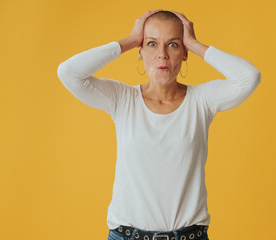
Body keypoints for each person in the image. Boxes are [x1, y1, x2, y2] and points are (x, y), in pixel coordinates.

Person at [57, 9, 261, 240]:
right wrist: (129, 41)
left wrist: (194, 44)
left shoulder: (202, 100)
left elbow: (249, 77)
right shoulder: (122, 99)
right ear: (140, 51)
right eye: (152, 44)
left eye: (173, 45)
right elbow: (69, 72)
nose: (162, 55)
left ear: (184, 52)